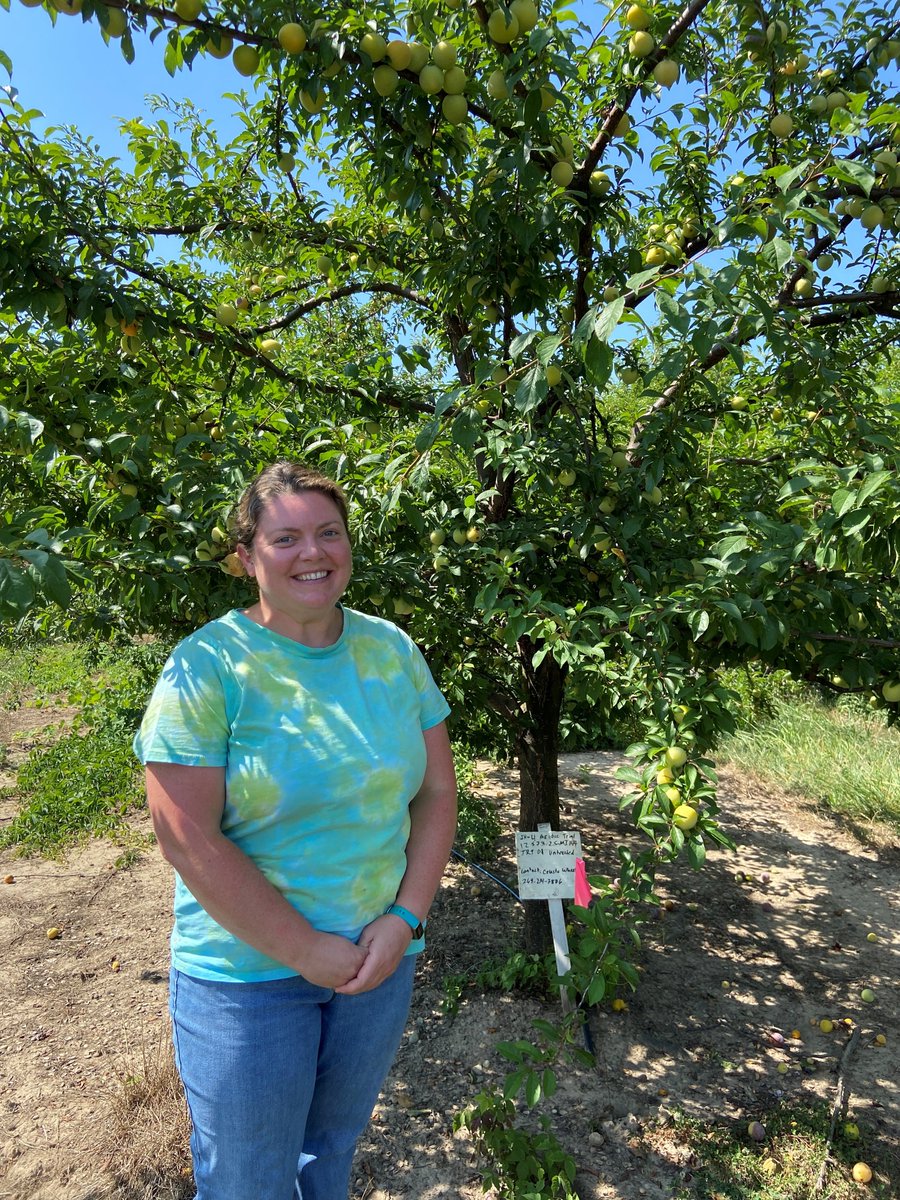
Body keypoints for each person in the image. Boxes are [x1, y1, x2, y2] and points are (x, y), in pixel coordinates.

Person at [133, 460, 457, 1200]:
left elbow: (437, 793)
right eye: (285, 538)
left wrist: (406, 918)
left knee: (329, 1157)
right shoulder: (207, 667)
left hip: (375, 967)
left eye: (329, 532)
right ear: (247, 557)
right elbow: (186, 836)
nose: (313, 552)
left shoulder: (392, 651)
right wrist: (304, 949)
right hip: (247, 981)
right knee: (249, 1182)